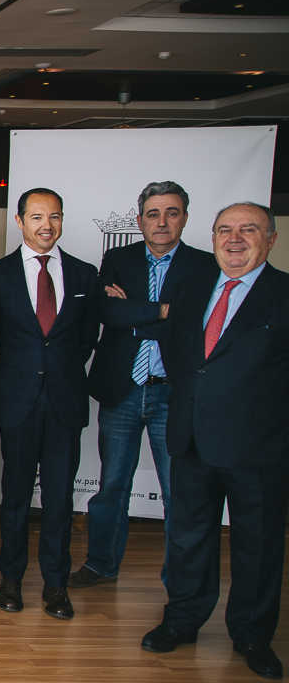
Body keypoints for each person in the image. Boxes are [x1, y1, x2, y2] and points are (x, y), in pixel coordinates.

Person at [143, 202, 288, 681]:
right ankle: (182, 620)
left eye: (248, 230)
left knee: (257, 545)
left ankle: (251, 635)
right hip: (192, 438)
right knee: (187, 538)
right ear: (212, 237)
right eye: (225, 230)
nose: (235, 239)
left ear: (270, 239)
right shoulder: (192, 285)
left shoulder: (284, 294)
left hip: (259, 448)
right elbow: (179, 348)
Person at [76, 181, 214, 587]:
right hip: (123, 388)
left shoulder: (205, 266)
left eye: (172, 212)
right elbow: (107, 313)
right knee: (112, 484)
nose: (162, 221)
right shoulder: (119, 258)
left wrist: (136, 314)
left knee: (178, 492)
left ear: (185, 218)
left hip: (174, 391)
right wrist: (162, 312)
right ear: (139, 220)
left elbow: (194, 321)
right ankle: (101, 564)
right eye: (153, 214)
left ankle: (181, 578)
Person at [0, 188, 98, 621]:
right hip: (17, 403)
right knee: (14, 498)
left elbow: (86, 339)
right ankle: (10, 581)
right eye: (36, 217)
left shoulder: (85, 275)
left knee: (59, 500)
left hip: (65, 403)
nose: (45, 225)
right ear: (19, 221)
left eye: (54, 216)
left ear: (62, 221)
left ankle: (56, 586)